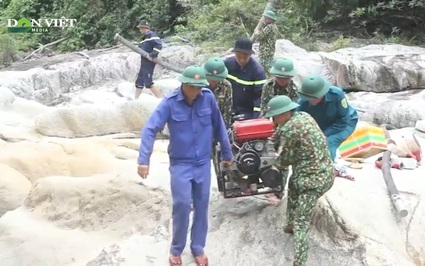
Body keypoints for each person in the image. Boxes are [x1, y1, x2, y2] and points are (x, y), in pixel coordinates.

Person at [137, 65, 233, 266]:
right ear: (184, 85)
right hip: (181, 163)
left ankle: (198, 248)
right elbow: (150, 129)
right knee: (181, 205)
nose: (197, 91)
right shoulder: (170, 103)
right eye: (194, 87)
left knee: (202, 204)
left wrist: (226, 152)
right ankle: (176, 249)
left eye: (200, 87)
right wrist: (144, 160)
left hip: (202, 163)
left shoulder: (207, 98)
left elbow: (219, 124)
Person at [264, 95, 334, 266]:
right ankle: (289, 224)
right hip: (324, 172)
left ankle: (300, 261)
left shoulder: (290, 130)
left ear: (284, 112)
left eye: (275, 116)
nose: (273, 119)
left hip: (312, 181)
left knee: (302, 222)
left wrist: (267, 164)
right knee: (292, 185)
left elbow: (284, 161)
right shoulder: (303, 115)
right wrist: (270, 138)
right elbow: (280, 131)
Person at [296, 75, 358, 178]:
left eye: (314, 98)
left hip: (345, 123)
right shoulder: (302, 102)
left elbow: (343, 120)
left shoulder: (337, 94)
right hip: (323, 124)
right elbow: (298, 120)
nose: (311, 101)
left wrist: (323, 134)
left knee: (329, 143)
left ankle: (326, 173)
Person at [224, 37, 267, 119]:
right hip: (229, 108)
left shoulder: (257, 72)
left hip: (247, 112)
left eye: (245, 56)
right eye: (239, 56)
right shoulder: (227, 64)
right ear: (235, 53)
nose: (242, 60)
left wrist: (255, 118)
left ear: (250, 55)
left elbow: (260, 97)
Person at [134, 20, 163, 99]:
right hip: (144, 62)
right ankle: (135, 99)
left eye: (140, 29)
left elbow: (159, 46)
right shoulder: (144, 38)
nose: (140, 30)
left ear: (144, 28)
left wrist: (152, 55)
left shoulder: (152, 35)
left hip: (149, 62)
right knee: (139, 81)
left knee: (148, 83)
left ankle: (161, 99)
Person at [203, 57, 233, 128]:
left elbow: (227, 111)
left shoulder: (226, 86)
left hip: (218, 124)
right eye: (211, 79)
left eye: (216, 79)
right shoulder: (199, 85)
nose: (213, 81)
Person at [252, 10, 279, 76]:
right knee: (268, 64)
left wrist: (256, 32)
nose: (264, 19)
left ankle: (270, 77)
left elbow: (260, 37)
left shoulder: (269, 27)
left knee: (265, 65)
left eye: (266, 18)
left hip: (265, 50)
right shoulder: (274, 27)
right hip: (270, 49)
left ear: (270, 19)